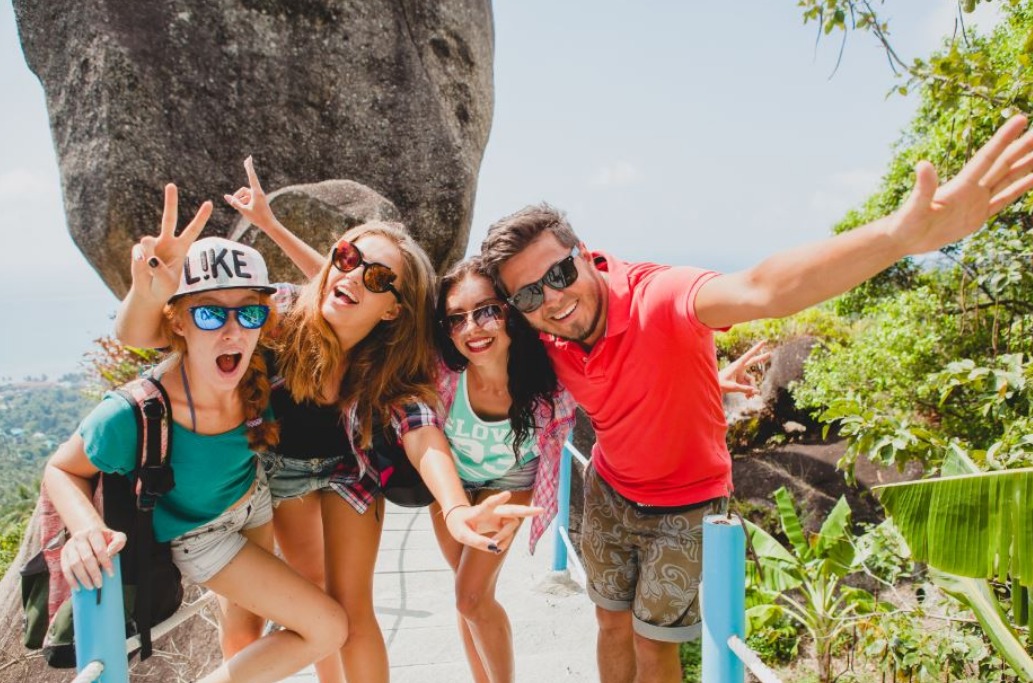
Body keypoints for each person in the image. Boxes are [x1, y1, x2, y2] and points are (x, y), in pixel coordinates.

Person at [477, 114, 1033, 683]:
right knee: (610, 623)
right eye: (529, 293)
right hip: (609, 489)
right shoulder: (546, 335)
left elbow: (764, 288)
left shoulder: (661, 296)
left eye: (559, 272)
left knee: (654, 647)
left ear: (583, 253)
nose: (553, 298)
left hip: (685, 505)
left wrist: (899, 236)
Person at [117, 159, 539, 683]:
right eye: (347, 257)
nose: (353, 274)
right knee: (311, 599)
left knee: (352, 608)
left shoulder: (389, 364)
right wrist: (149, 289)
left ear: (392, 309)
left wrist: (454, 509)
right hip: (278, 471)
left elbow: (422, 429)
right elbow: (146, 336)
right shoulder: (280, 316)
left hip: (349, 471)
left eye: (378, 277)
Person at [44, 193, 349, 683]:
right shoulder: (138, 411)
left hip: (255, 505)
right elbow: (63, 467)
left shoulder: (260, 367)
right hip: (200, 535)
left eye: (248, 314)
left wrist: (269, 223)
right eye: (210, 314)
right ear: (178, 323)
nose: (232, 331)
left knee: (245, 637)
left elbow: (339, 299)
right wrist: (84, 529)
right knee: (327, 627)